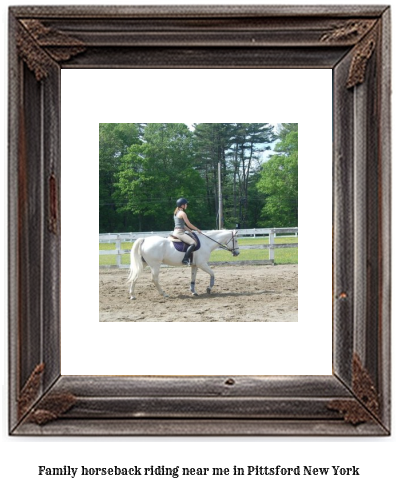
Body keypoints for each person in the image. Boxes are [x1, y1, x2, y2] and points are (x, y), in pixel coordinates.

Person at [173, 198, 202, 265]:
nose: (186, 205)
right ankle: (185, 259)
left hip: (176, 231)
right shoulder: (182, 213)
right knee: (193, 243)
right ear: (182, 205)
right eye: (186, 204)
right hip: (179, 233)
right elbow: (188, 224)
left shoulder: (176, 212)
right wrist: (197, 229)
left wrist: (190, 231)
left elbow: (183, 225)